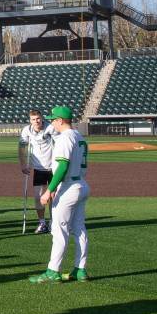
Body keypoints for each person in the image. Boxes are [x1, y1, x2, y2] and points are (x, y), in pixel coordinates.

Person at [29, 106, 90, 283]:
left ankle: (53, 271)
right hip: (81, 184)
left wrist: (49, 190)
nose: (51, 122)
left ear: (61, 121)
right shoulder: (79, 136)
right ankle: (80, 269)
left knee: (59, 229)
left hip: (69, 186)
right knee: (79, 229)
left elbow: (62, 166)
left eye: (54, 119)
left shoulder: (64, 138)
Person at [19, 110, 56, 234]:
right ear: (30, 120)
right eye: (34, 119)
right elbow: (22, 146)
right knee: (38, 197)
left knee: (53, 196)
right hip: (38, 169)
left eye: (38, 119)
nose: (36, 121)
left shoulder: (50, 128)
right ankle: (42, 223)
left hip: (53, 168)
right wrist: (23, 164)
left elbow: (59, 142)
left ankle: (53, 222)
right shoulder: (26, 130)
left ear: (42, 118)